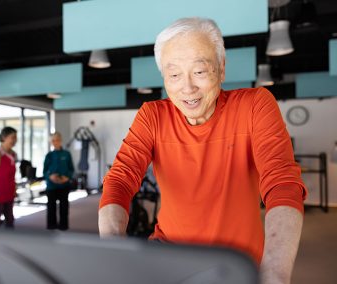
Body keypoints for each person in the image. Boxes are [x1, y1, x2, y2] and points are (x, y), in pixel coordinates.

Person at [98, 17, 307, 284]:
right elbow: (119, 180)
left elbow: (282, 183)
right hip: (168, 254)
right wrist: (113, 253)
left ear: (221, 69)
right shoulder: (152, 115)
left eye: (199, 71)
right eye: (174, 75)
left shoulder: (255, 105)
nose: (187, 87)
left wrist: (274, 274)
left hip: (237, 262)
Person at [43, 132, 75, 230]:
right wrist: (50, 177)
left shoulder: (67, 154)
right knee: (51, 208)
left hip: (64, 186)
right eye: (53, 140)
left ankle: (63, 226)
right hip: (51, 187)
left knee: (64, 208)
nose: (55, 142)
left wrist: (67, 177)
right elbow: (44, 172)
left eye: (57, 140)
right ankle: (51, 226)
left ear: (60, 140)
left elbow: (71, 169)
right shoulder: (49, 155)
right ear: (50, 142)